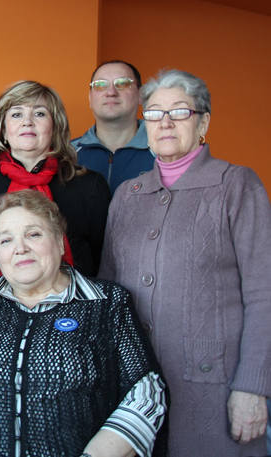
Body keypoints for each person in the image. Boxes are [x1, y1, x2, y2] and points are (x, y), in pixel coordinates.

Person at [0, 190, 166, 457]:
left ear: (60, 242)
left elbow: (146, 393)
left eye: (33, 234)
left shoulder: (106, 302)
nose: (20, 248)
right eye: (6, 240)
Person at [100, 69, 271, 456]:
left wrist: (253, 386)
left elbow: (265, 294)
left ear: (203, 122)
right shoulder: (128, 194)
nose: (165, 122)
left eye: (179, 111)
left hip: (214, 386)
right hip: (134, 389)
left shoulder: (236, 185)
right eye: (154, 113)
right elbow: (108, 290)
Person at [0, 81, 109, 281]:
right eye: (16, 114)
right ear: (3, 130)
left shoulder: (90, 185)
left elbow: (102, 256)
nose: (27, 122)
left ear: (55, 127)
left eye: (39, 113)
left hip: (72, 296)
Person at [71, 60, 154, 192]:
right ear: (90, 98)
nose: (111, 92)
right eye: (100, 85)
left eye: (122, 84)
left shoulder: (163, 151)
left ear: (140, 95)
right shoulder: (67, 154)